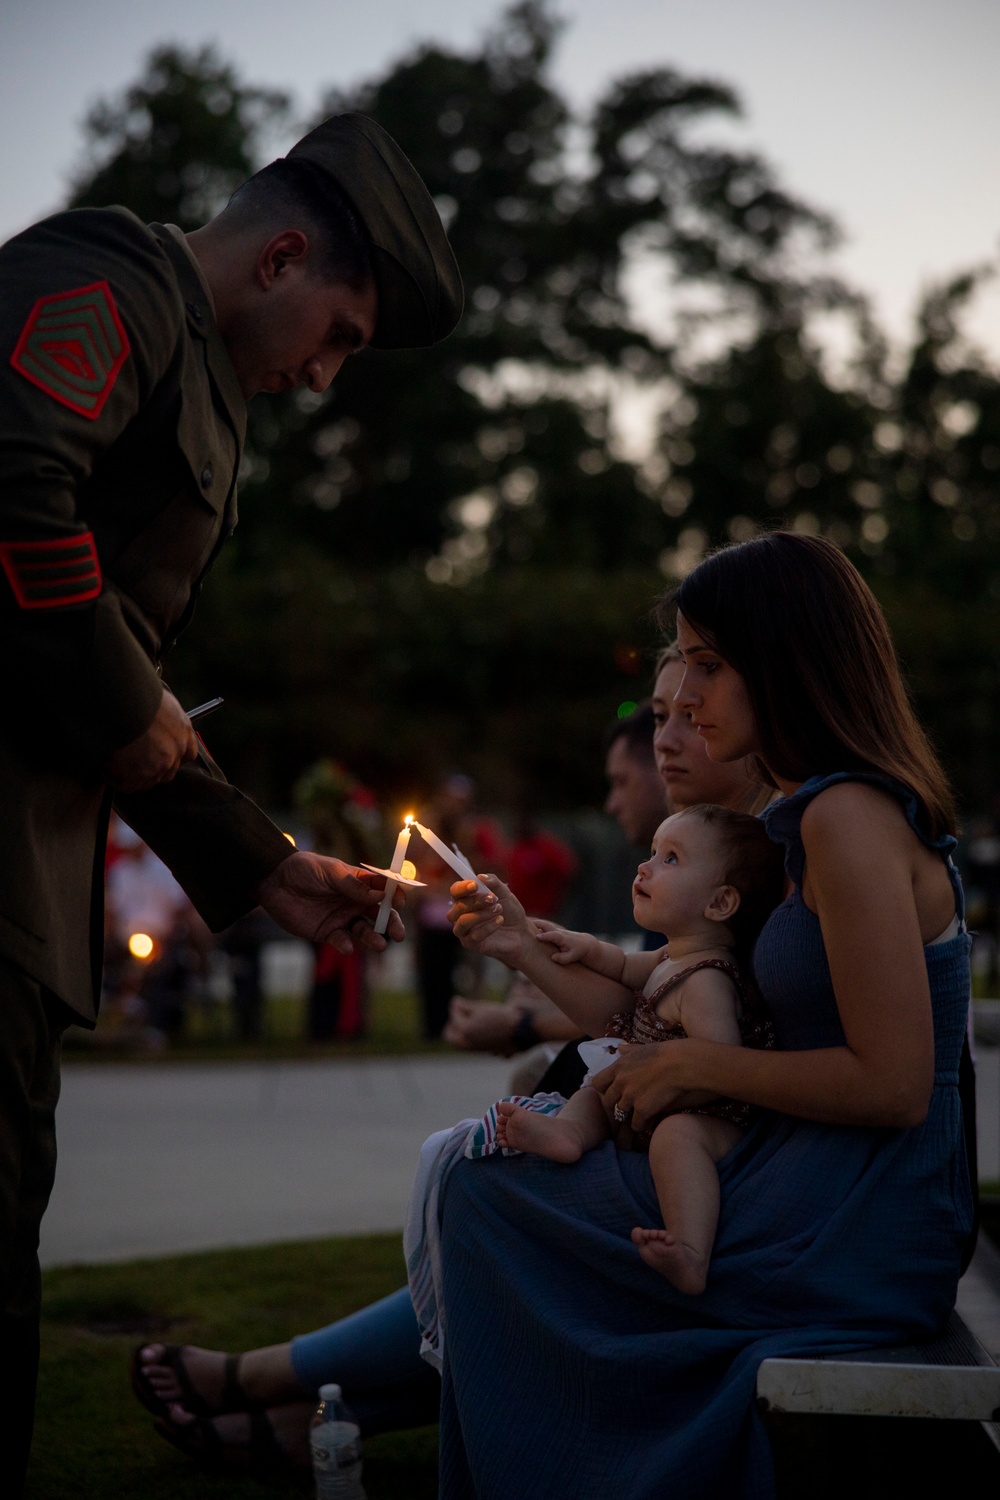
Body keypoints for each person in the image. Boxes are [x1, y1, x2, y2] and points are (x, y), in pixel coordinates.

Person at [0, 111, 462, 1493]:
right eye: (336, 337)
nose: (323, 379)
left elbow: (116, 702)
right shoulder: (113, 280)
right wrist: (116, 694)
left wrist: (265, 867)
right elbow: (15, 489)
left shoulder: (190, 367)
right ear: (278, 259)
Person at [440, 531, 975, 1499]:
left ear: (787, 662)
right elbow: (671, 1001)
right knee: (486, 1179)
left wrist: (694, 1072)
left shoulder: (845, 818)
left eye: (710, 663)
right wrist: (524, 945)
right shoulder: (808, 816)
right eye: (685, 660)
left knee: (484, 1195)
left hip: (866, 1215)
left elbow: (897, 1085)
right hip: (813, 1172)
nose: (683, 693)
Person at [470, 805, 783, 1295]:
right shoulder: (671, 955)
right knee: (594, 1088)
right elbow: (619, 965)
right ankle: (569, 1134)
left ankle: (690, 1250)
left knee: (677, 1139)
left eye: (672, 859)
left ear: (720, 903)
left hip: (706, 1114)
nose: (645, 866)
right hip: (644, 1099)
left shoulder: (706, 980)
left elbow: (718, 1063)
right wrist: (573, 943)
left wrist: (660, 1087)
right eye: (653, 853)